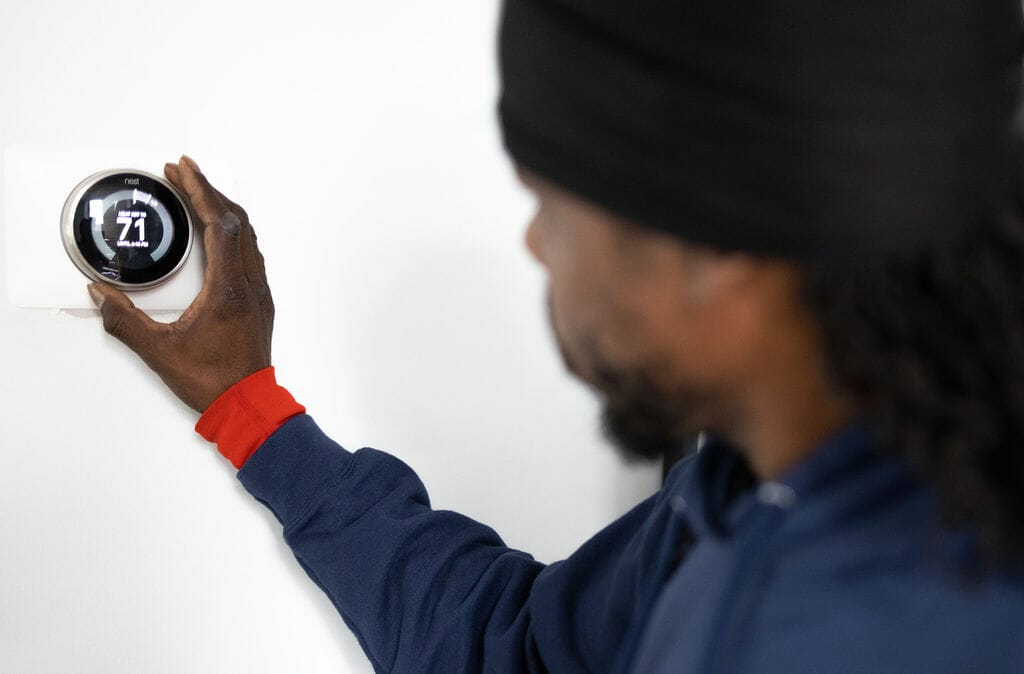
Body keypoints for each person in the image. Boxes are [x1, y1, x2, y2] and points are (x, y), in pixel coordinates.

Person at [87, 0, 1024, 672]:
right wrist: (252, 408)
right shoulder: (752, 481)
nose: (536, 245)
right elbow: (519, 648)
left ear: (720, 247)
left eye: (552, 206)